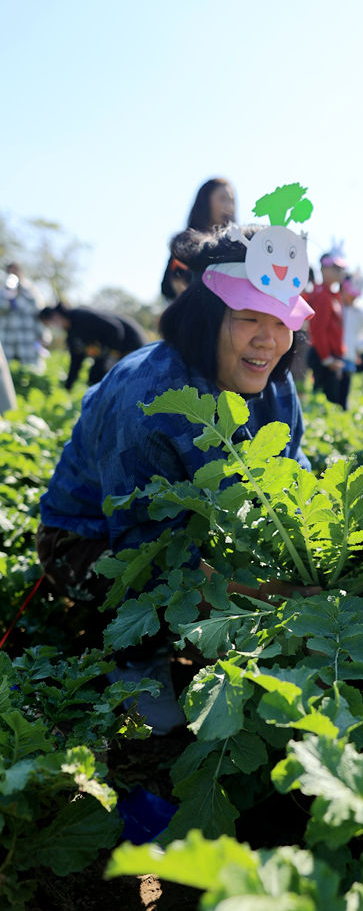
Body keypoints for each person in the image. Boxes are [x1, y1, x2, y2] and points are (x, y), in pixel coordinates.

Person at [38, 184, 314, 732]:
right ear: (204, 316)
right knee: (135, 600)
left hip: (203, 529)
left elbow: (291, 481)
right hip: (98, 539)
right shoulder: (149, 396)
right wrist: (273, 593)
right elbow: (144, 549)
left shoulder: (276, 386)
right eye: (247, 319)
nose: (269, 340)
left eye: (282, 322)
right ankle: (139, 662)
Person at [39, 302, 149, 389]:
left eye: (49, 323)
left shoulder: (81, 316)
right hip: (109, 352)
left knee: (130, 382)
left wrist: (113, 355)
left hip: (130, 345)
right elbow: (76, 361)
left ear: (55, 316)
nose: (52, 327)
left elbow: (115, 329)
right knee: (94, 378)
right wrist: (68, 387)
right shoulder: (72, 335)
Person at [161, 177, 237, 300]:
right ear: (206, 202)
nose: (229, 207)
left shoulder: (237, 245)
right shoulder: (185, 244)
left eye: (232, 200)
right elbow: (167, 289)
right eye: (223, 199)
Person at [304, 245, 351, 408]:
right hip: (324, 357)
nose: (340, 272)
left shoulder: (333, 295)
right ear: (324, 269)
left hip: (331, 357)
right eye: (336, 268)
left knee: (333, 401)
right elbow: (318, 329)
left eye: (342, 268)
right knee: (327, 403)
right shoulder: (322, 295)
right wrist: (327, 358)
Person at [0, 263, 45, 368]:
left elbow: (39, 314)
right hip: (7, 337)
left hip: (27, 337)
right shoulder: (2, 291)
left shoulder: (30, 291)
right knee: (6, 370)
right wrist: (8, 297)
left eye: (15, 270)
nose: (13, 273)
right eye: (10, 271)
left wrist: (42, 335)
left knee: (29, 370)